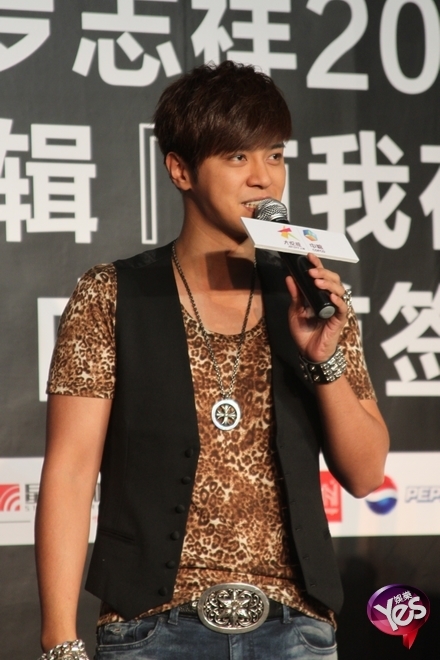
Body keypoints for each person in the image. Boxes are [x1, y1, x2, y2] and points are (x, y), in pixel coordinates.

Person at [35, 61, 389, 660]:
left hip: (296, 630)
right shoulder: (110, 295)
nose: (263, 178)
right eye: (237, 157)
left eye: (275, 155)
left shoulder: (312, 296)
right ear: (180, 169)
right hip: (151, 629)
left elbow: (366, 473)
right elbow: (70, 473)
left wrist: (324, 360)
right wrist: (58, 641)